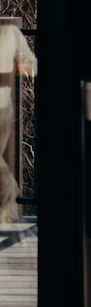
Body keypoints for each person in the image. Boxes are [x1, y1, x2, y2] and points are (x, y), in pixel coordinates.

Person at [0, 22, 36, 223]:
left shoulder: (11, 33)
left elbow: (32, 65)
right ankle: (9, 203)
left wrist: (18, 67)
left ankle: (9, 199)